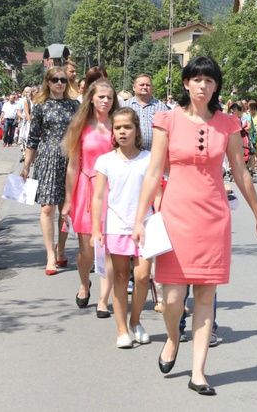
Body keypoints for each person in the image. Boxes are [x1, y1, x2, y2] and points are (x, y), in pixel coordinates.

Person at [132, 56, 257, 395]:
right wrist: (140, 219)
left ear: (216, 87)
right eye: (197, 80)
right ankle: (171, 337)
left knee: (206, 295)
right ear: (186, 83)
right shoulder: (167, 119)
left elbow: (240, 172)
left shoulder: (228, 124)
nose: (203, 86)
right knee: (174, 298)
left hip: (213, 216)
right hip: (175, 214)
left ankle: (198, 372)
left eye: (209, 81)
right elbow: (153, 172)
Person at [90, 107, 155, 348]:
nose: (122, 132)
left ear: (136, 129)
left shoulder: (149, 158)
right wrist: (96, 229)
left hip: (145, 226)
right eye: (117, 128)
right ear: (112, 132)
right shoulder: (105, 160)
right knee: (120, 277)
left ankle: (135, 321)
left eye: (127, 127)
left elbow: (156, 192)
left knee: (142, 276)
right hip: (116, 225)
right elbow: (98, 197)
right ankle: (121, 330)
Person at [61, 79, 119, 316]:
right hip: (86, 190)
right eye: (101, 97)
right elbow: (73, 165)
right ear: (91, 98)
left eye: (110, 98)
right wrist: (67, 200)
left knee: (109, 249)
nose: (106, 101)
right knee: (86, 251)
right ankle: (84, 283)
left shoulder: (119, 124)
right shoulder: (81, 125)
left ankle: (104, 300)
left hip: (114, 192)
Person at [20, 68, 79, 275]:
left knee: (66, 207)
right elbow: (33, 138)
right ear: (48, 82)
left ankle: (61, 247)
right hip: (47, 159)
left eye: (63, 79)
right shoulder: (40, 106)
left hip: (70, 158)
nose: (60, 83)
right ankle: (50, 255)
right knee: (47, 207)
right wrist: (27, 165)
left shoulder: (74, 105)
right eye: (55, 79)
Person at [122, 74, 169, 151]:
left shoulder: (162, 108)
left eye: (148, 85)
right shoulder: (125, 106)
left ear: (152, 88)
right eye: (141, 85)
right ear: (134, 87)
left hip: (154, 154)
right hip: (131, 154)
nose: (145, 87)